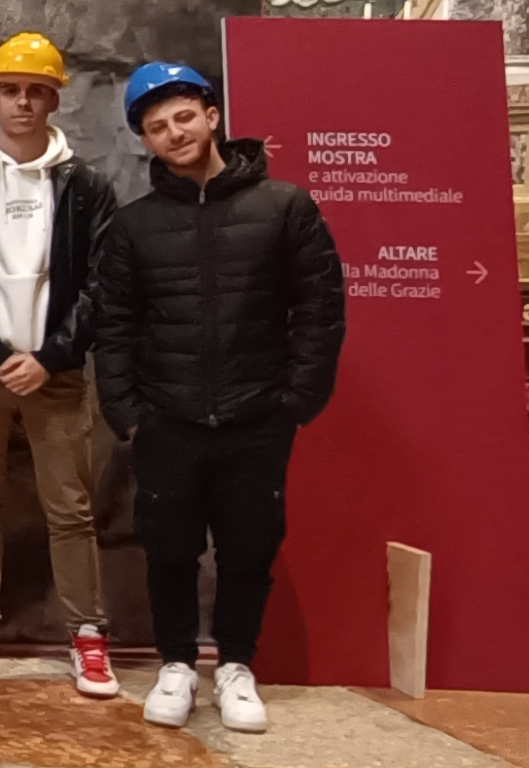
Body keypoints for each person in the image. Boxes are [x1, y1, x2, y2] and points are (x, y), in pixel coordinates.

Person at [93, 61, 344, 734]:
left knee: (247, 547)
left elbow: (319, 309)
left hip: (256, 416)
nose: (174, 133)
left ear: (212, 116)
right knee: (168, 546)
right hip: (167, 417)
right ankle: (176, 663)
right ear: (144, 140)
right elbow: (113, 325)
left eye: (183, 116)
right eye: (156, 126)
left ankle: (236, 665)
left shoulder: (284, 206)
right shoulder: (134, 226)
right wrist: (127, 410)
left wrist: (297, 399)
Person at [0, 32, 121, 701]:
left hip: (59, 374)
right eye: (11, 89)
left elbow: (103, 285)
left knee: (71, 508)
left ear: (53, 99)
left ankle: (88, 635)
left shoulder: (85, 186)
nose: (23, 101)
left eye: (35, 90)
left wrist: (49, 356)